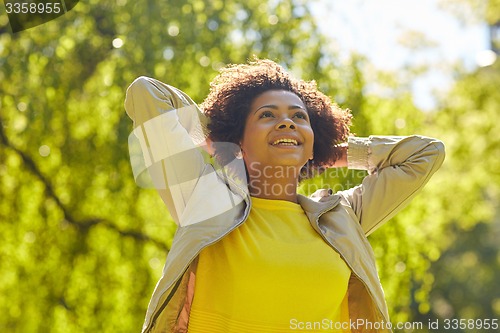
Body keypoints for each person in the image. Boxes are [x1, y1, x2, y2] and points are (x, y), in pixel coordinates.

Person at [124, 59, 445, 333]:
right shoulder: (202, 197)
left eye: (299, 117)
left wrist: (329, 154)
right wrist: (222, 136)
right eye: (267, 115)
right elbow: (146, 94)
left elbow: (426, 154)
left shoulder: (344, 217)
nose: (287, 122)